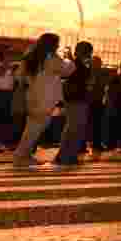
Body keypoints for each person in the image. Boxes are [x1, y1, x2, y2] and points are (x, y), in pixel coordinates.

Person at [14, 34, 74, 167]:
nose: (58, 46)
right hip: (45, 99)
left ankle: (25, 155)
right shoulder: (51, 58)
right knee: (34, 130)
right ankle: (20, 157)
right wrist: (69, 58)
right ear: (51, 45)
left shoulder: (30, 56)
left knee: (31, 128)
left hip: (32, 96)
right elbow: (67, 70)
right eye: (57, 44)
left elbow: (19, 76)